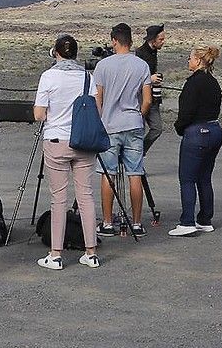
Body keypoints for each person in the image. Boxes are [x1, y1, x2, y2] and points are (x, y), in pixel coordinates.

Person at [32, 35, 100, 270]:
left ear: (57, 53)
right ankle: (91, 252)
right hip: (84, 141)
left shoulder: (49, 76)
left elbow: (39, 114)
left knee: (58, 198)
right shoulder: (86, 76)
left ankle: (56, 254)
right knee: (86, 196)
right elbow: (96, 108)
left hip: (56, 140)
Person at [94, 23, 152, 237]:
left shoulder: (103, 66)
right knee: (135, 172)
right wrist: (139, 115)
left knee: (108, 174)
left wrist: (101, 120)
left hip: (110, 126)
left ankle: (108, 222)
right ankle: (136, 222)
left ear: (114, 41)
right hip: (133, 124)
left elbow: (97, 98)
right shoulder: (141, 66)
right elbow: (147, 100)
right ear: (131, 41)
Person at [169, 46, 222, 238]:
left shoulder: (193, 83)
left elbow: (187, 112)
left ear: (199, 61)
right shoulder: (214, 82)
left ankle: (187, 221)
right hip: (215, 130)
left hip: (196, 132)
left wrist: (179, 126)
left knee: (187, 178)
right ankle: (205, 219)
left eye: (190, 58)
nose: (188, 61)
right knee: (204, 177)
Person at [135, 24, 167, 153]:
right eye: (161, 39)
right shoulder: (140, 53)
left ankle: (139, 153)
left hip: (153, 98)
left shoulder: (153, 52)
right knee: (139, 130)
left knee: (157, 128)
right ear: (153, 40)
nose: (163, 42)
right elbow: (135, 76)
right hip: (142, 99)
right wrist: (150, 78)